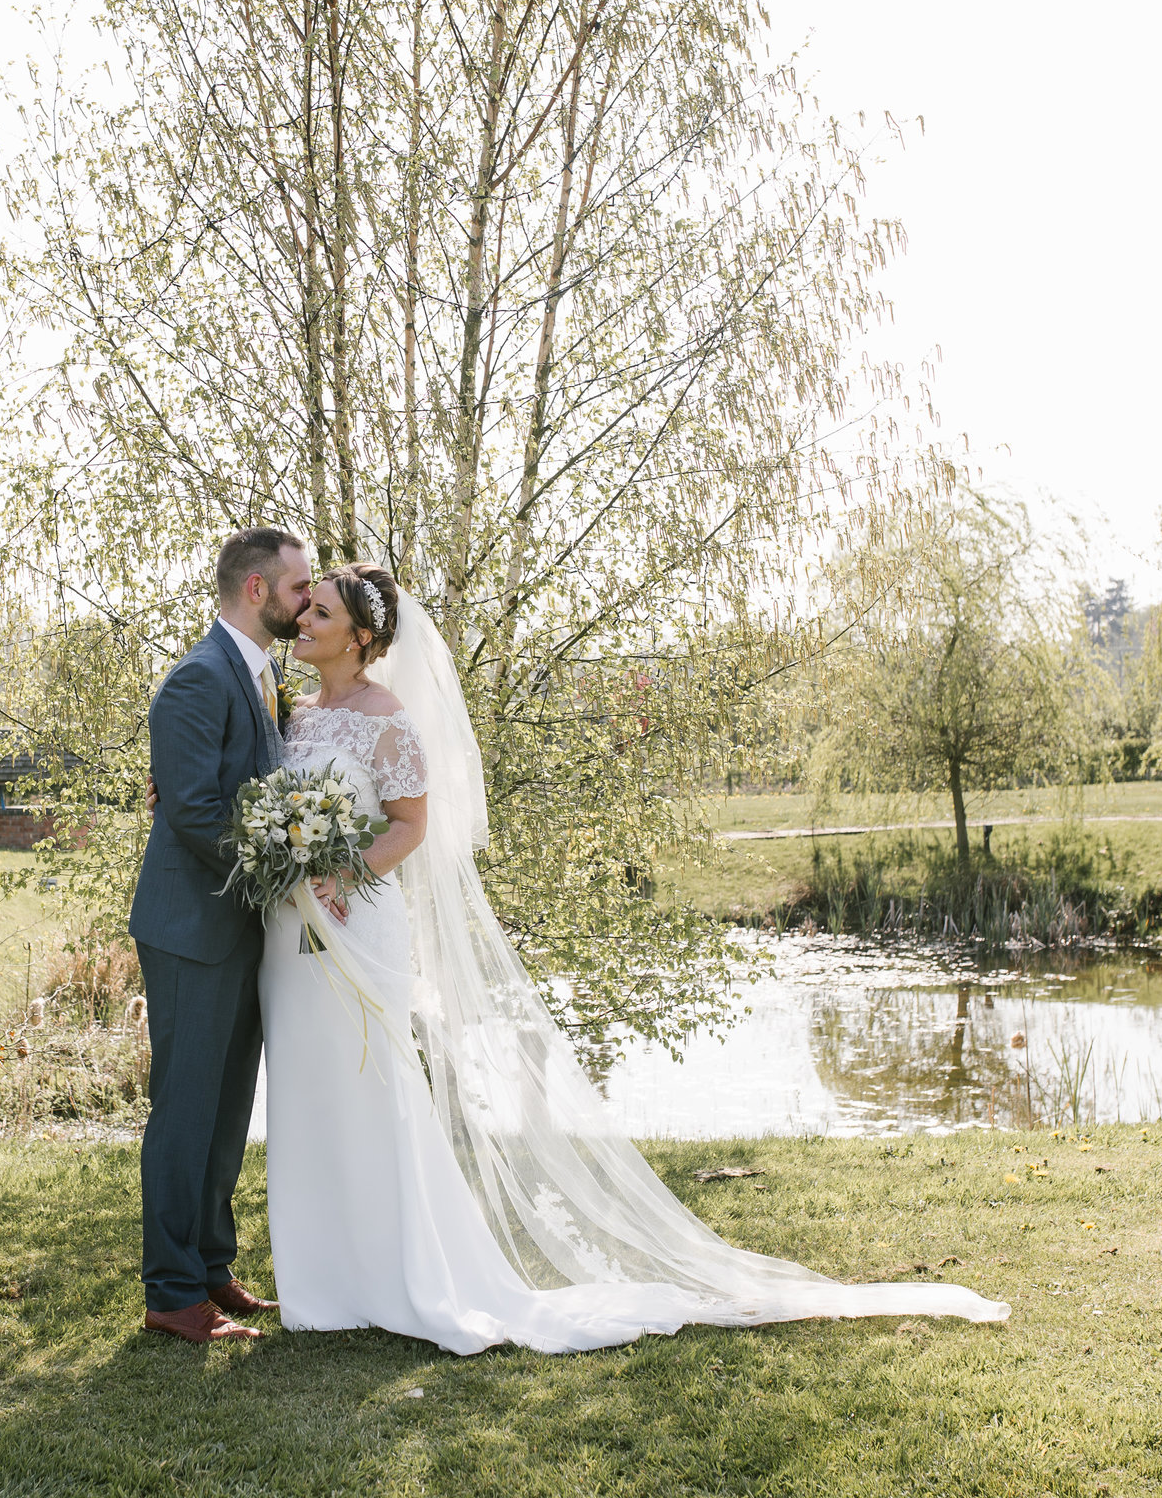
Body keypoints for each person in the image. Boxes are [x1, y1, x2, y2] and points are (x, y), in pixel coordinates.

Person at [256, 563, 1010, 1352]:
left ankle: (396, 1273)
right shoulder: (298, 717)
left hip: (358, 919)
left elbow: (410, 825)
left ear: (362, 635)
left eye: (320, 610)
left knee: (373, 1085)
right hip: (292, 933)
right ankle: (324, 1282)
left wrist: (345, 873)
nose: (302, 618)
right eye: (305, 608)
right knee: (310, 1084)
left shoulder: (390, 720)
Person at [126, 525, 311, 1344]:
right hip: (192, 924)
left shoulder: (262, 678)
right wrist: (285, 866)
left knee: (229, 1104)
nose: (309, 600)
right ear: (258, 590)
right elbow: (197, 809)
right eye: (301, 585)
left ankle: (210, 1266)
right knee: (186, 1108)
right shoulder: (197, 680)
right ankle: (171, 1292)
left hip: (240, 923)